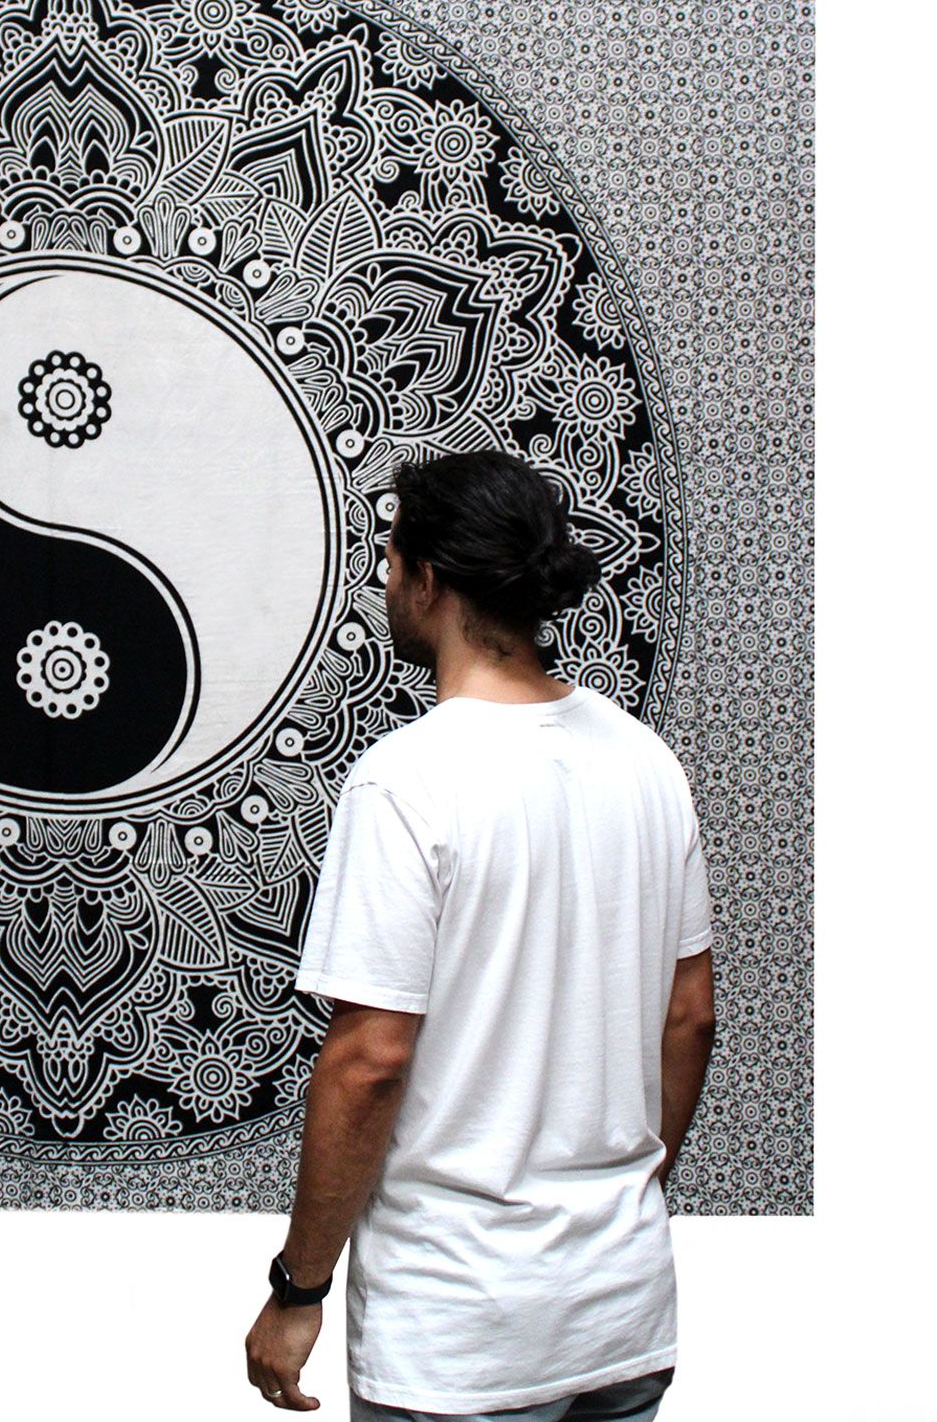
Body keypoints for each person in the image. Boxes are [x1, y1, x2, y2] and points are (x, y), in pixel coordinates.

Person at [244, 449, 717, 1420]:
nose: (383, 581)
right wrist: (619, 1201)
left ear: (428, 579)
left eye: (390, 559)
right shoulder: (645, 763)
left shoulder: (406, 780)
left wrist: (298, 1289)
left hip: (461, 1329)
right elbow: (689, 1015)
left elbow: (370, 1060)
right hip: (621, 1309)